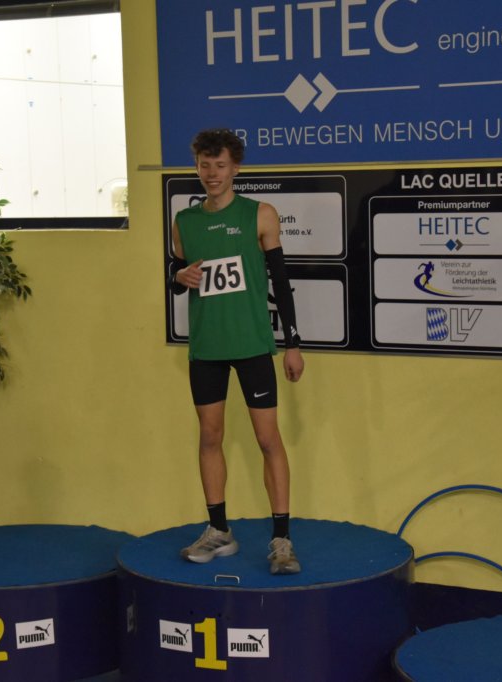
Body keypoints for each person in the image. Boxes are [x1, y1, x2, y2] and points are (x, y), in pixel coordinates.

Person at [169, 129, 305, 575]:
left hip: (252, 345)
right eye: (204, 166)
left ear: (236, 168)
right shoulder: (184, 223)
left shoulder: (260, 214)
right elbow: (178, 274)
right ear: (197, 168)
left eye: (220, 166)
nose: (212, 174)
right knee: (210, 437)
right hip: (207, 347)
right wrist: (178, 278)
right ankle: (218, 530)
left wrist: (292, 343)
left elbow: (280, 280)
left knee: (268, 439)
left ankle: (281, 539)